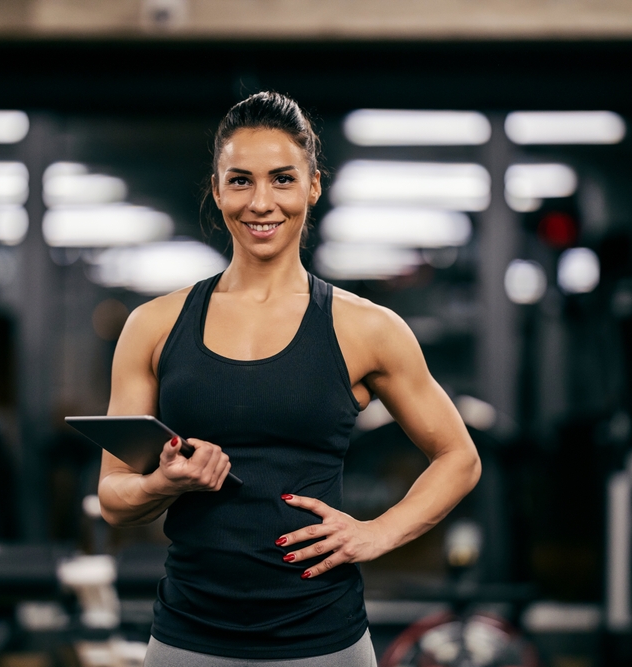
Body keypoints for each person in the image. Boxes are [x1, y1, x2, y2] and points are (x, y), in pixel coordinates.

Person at [98, 91, 481, 667]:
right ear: (217, 188)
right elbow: (112, 497)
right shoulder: (152, 326)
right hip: (186, 636)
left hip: (323, 640)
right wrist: (165, 484)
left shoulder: (367, 328)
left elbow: (459, 457)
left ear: (313, 186)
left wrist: (378, 533)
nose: (261, 202)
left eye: (282, 179)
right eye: (240, 180)